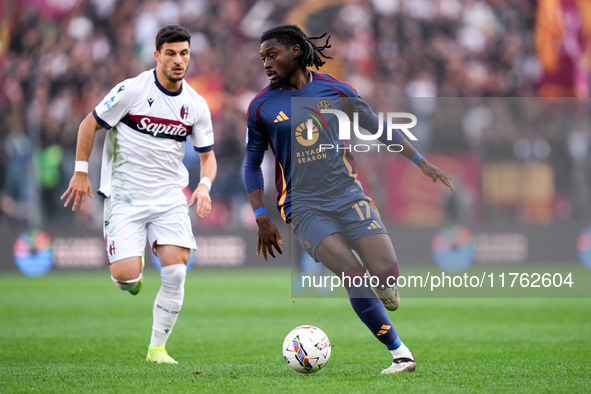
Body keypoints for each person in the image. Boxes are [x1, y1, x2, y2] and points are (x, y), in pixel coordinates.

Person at [243, 25, 454, 374]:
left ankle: (383, 289)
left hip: (346, 192)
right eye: (262, 57)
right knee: (353, 275)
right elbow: (251, 163)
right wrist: (261, 215)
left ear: (295, 50)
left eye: (272, 54)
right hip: (303, 205)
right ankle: (400, 353)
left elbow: (377, 126)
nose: (265, 63)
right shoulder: (261, 106)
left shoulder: (336, 90)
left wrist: (420, 161)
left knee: (387, 274)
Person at [61, 25, 217, 364]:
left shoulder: (196, 104)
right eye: (172, 53)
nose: (179, 60)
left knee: (176, 271)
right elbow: (89, 124)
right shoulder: (132, 90)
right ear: (157, 55)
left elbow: (208, 157)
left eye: (184, 53)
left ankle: (157, 349)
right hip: (126, 197)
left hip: (169, 197)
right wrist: (80, 171)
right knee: (125, 278)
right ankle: (134, 272)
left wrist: (203, 186)